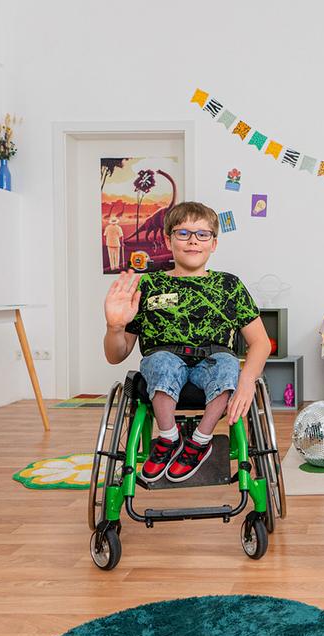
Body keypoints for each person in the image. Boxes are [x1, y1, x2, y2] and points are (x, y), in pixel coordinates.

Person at [103, 201, 270, 483]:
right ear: (169, 240)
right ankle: (168, 438)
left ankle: (200, 440)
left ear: (213, 243)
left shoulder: (230, 286)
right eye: (183, 233)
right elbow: (115, 355)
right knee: (160, 361)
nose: (193, 240)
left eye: (202, 234)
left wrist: (248, 380)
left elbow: (261, 343)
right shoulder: (148, 286)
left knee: (229, 364)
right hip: (164, 362)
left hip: (215, 361)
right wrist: (115, 326)